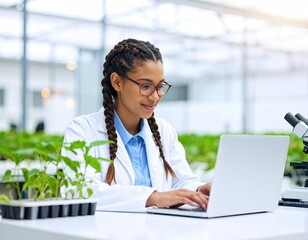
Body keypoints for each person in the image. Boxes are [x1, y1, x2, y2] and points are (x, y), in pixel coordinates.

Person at [62, 38, 211, 212]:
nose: (155, 96)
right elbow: (79, 190)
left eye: (160, 87)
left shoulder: (164, 131)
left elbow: (182, 180)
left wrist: (198, 190)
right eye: (146, 86)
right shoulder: (82, 130)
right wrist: (151, 198)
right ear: (117, 82)